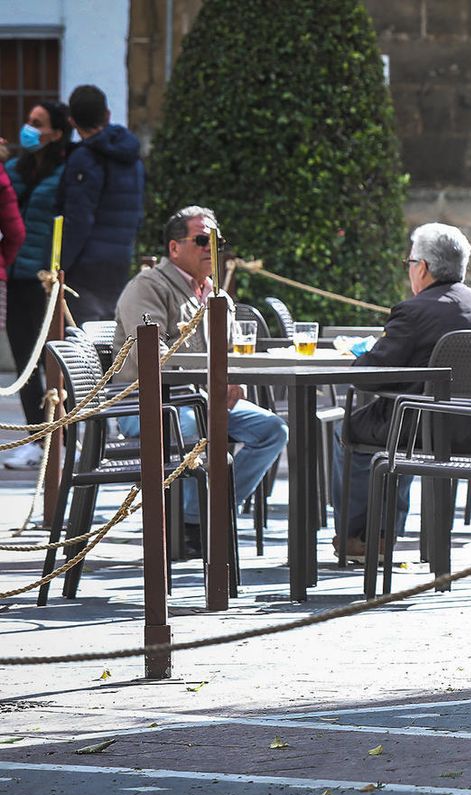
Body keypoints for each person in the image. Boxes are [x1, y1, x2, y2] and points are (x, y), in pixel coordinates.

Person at [330, 222, 471, 563]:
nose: (409, 270)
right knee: (404, 425)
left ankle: (361, 537)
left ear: (423, 267)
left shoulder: (414, 311)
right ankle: (382, 535)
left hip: (424, 428)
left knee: (350, 431)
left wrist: (362, 357)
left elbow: (369, 378)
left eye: (409, 263)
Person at [112, 206, 288, 547]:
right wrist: (212, 381)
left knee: (272, 430)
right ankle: (197, 526)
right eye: (202, 240)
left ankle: (203, 516)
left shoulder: (216, 294)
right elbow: (150, 358)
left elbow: (232, 354)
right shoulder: (148, 286)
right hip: (144, 404)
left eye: (217, 240)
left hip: (201, 400)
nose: (212, 247)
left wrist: (236, 380)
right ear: (174, 248)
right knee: (194, 427)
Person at [3, 101, 72, 470]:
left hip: (46, 279)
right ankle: (35, 436)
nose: (28, 128)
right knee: (24, 361)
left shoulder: (66, 172)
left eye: (37, 123)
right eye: (28, 121)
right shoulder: (15, 168)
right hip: (15, 275)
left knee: (55, 361)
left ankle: (67, 435)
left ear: (57, 133)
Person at [59, 85, 145, 321]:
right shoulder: (131, 157)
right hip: (120, 257)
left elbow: (79, 219)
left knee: (82, 340)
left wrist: (60, 263)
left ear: (72, 121)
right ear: (107, 114)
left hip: (86, 264)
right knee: (109, 335)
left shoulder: (84, 158)